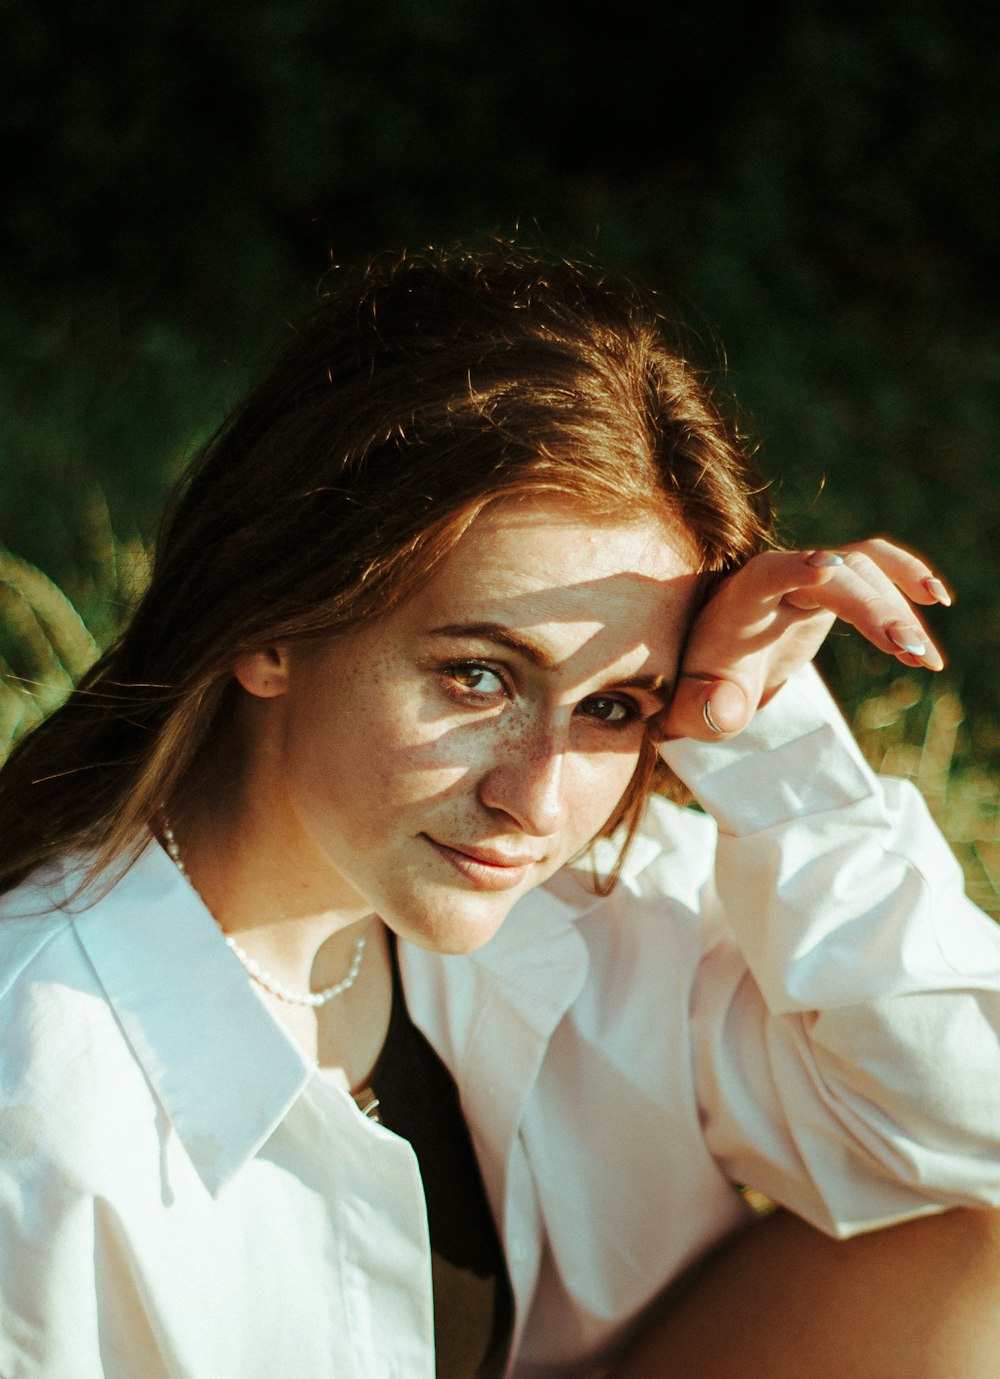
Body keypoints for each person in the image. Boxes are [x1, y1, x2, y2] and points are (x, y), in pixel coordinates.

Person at [0, 243, 998, 1379]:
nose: (533, 796)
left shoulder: (604, 903)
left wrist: (767, 745)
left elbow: (975, 1140)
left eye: (616, 704)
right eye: (476, 676)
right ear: (270, 623)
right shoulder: (42, 1104)